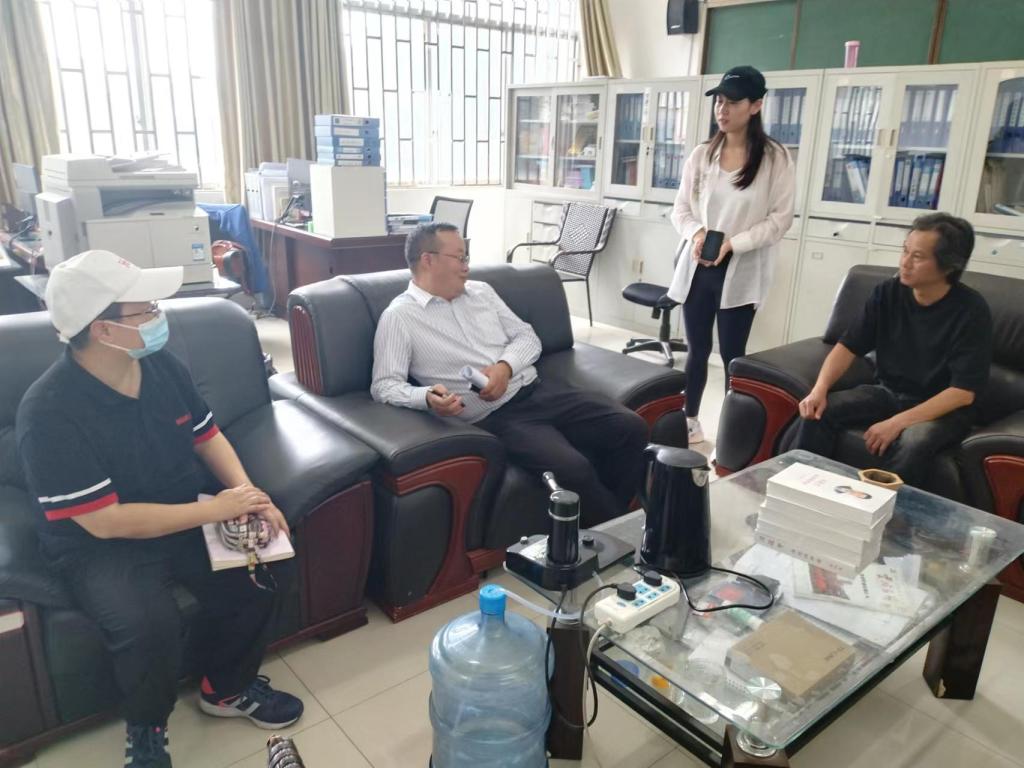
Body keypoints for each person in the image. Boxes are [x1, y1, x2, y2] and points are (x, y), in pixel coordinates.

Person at [16, 250, 303, 768]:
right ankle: (147, 729)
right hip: (99, 544)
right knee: (147, 624)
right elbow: (105, 521)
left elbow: (206, 435)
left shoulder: (159, 365)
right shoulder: (49, 412)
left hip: (179, 511)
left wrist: (248, 495)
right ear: (103, 329)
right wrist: (216, 510)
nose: (158, 317)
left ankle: (227, 688)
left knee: (265, 567)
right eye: (146, 309)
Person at [371, 223, 649, 526]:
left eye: (466, 258)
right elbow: (385, 384)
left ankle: (610, 529)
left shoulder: (481, 292)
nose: (466, 267)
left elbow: (527, 337)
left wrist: (504, 367)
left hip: (539, 390)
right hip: (499, 416)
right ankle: (623, 535)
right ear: (428, 260)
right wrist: (425, 397)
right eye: (460, 258)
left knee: (631, 427)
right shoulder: (399, 317)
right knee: (573, 469)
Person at [793, 213, 992, 489]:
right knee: (820, 411)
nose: (905, 262)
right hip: (888, 392)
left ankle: (878, 508)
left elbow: (962, 393)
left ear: (948, 265)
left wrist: (897, 422)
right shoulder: (888, 292)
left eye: (917, 257)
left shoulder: (971, 311)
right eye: (905, 251)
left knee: (914, 441)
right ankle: (798, 489)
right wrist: (819, 389)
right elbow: (847, 346)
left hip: (942, 410)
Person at [668, 65, 796, 444]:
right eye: (719, 102)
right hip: (699, 266)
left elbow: (780, 220)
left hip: (741, 270)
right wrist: (697, 233)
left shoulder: (774, 158)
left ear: (756, 105)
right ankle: (689, 421)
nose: (722, 110)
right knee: (696, 350)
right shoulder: (702, 154)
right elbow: (680, 210)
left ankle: (733, 433)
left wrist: (733, 244)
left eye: (733, 102)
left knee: (733, 356)